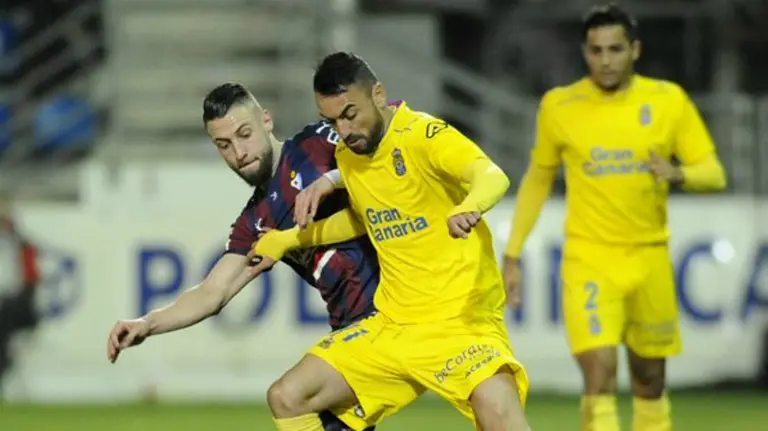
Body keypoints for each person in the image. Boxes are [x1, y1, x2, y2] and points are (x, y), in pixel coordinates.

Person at [249, 52, 531, 431]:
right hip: (393, 326)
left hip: (461, 323)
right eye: (332, 121)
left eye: (350, 114)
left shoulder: (423, 135)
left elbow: (491, 174)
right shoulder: (349, 154)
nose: (344, 130)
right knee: (288, 396)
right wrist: (287, 239)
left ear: (378, 95)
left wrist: (469, 206)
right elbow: (364, 219)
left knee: (499, 413)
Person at [502, 4, 727, 431]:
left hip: (649, 259)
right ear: (585, 52)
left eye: (615, 49)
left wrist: (679, 173)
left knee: (650, 378)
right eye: (595, 50)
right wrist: (512, 254)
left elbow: (714, 173)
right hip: (590, 260)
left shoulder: (667, 101)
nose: (605, 60)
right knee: (599, 371)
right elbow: (537, 180)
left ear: (635, 50)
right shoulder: (560, 106)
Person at [105, 83, 379, 431]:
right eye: (224, 145)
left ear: (266, 120)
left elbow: (385, 156)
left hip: (398, 308)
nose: (239, 152)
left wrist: (331, 180)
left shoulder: (320, 142)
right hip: (353, 331)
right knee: (311, 412)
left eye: (244, 134)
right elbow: (213, 292)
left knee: (288, 397)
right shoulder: (257, 221)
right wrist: (147, 323)